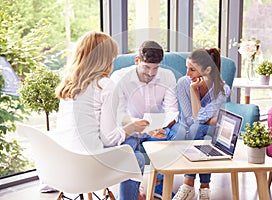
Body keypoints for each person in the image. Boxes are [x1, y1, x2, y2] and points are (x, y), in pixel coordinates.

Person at [54, 30, 149, 200]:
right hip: (90, 166)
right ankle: (132, 193)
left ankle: (136, 191)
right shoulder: (104, 85)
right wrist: (131, 128)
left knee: (132, 142)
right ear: (106, 59)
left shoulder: (69, 85)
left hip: (62, 165)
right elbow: (109, 139)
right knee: (136, 156)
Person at [110, 40, 179, 198]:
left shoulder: (167, 76)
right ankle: (131, 194)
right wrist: (141, 127)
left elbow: (171, 110)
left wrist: (162, 125)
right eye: (146, 67)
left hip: (158, 127)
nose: (151, 73)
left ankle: (159, 185)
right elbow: (119, 115)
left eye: (155, 68)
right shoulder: (120, 77)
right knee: (130, 152)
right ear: (137, 61)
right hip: (131, 127)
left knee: (177, 133)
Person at [172, 48, 231, 200]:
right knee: (200, 129)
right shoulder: (184, 83)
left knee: (204, 130)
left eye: (192, 70)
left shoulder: (223, 89)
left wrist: (210, 119)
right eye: (187, 68)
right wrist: (193, 90)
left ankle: (188, 184)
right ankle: (204, 187)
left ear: (208, 70)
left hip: (204, 132)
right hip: (186, 129)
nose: (187, 74)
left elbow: (199, 118)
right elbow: (191, 119)